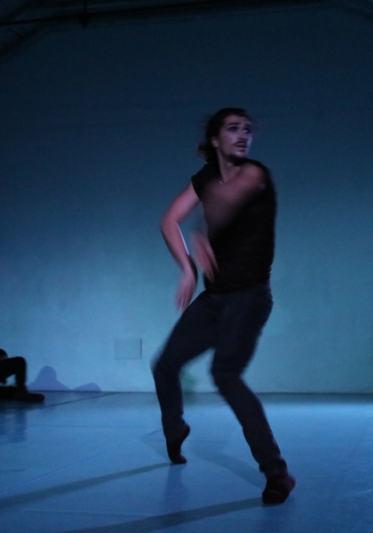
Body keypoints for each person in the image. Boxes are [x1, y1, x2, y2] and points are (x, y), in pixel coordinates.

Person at [152, 108, 295, 505]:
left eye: (248, 129)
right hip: (215, 298)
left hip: (249, 297)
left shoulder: (255, 174)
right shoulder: (205, 179)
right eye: (233, 129)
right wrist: (187, 267)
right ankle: (176, 429)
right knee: (164, 365)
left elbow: (224, 204)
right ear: (216, 139)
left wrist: (200, 232)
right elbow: (168, 220)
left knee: (225, 374)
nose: (243, 135)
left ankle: (277, 474)